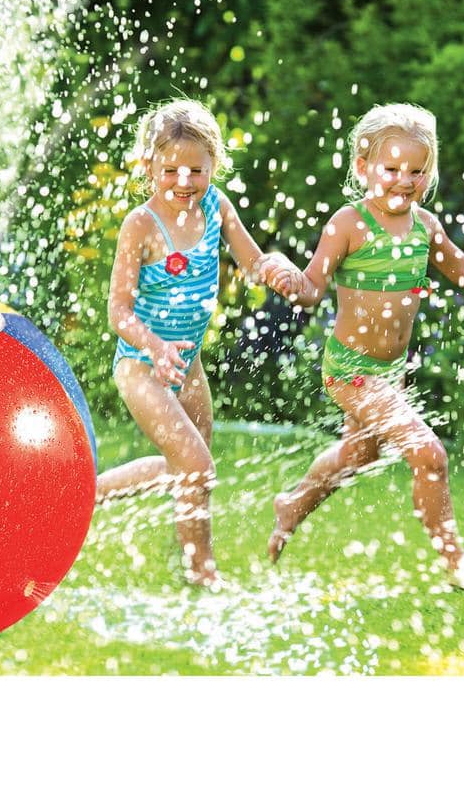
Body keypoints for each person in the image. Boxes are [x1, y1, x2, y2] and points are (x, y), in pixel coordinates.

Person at [269, 103, 464, 590]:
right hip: (350, 370)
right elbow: (311, 289)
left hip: (390, 373)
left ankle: (293, 503)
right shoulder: (348, 224)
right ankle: (456, 562)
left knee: (358, 455)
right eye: (391, 169)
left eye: (417, 171)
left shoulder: (425, 227)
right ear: (364, 167)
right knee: (429, 454)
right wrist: (287, 279)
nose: (404, 181)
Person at [97, 99, 299, 586]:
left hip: (188, 367)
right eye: (171, 169)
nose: (184, 182)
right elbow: (118, 312)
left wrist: (280, 268)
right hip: (141, 365)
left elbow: (253, 262)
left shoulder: (215, 206)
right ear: (148, 165)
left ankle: (84, 500)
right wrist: (155, 347)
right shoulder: (141, 225)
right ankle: (201, 571)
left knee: (184, 468)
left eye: (197, 170)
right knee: (197, 466)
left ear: (214, 165)